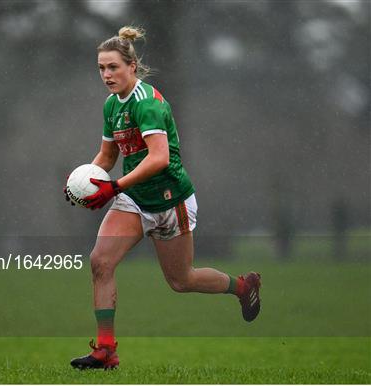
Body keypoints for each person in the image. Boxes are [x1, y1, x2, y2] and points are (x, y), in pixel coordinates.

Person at [65, 26, 261, 370]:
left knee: (181, 281)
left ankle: (243, 286)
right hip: (134, 201)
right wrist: (84, 182)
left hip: (172, 201)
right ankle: (106, 350)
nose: (106, 75)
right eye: (101, 68)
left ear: (132, 67)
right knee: (100, 262)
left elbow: (159, 159)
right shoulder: (112, 106)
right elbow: (107, 158)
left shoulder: (147, 104)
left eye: (113, 67)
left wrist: (114, 187)